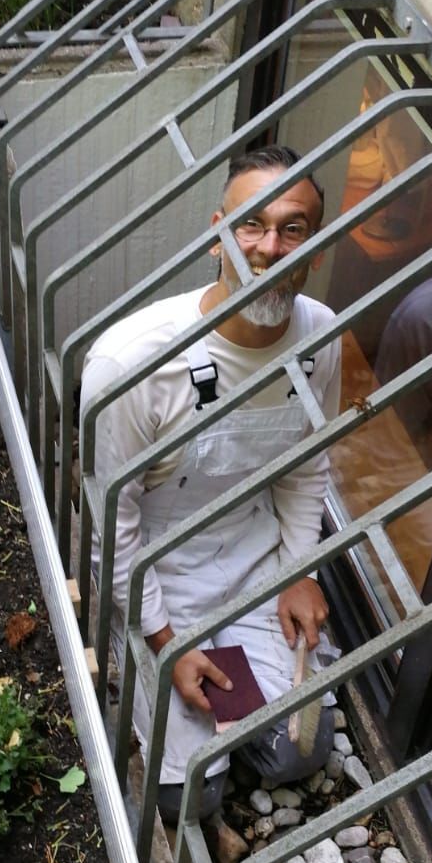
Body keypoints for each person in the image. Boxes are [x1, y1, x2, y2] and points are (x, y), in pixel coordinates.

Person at [80, 146, 342, 823]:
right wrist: (166, 643)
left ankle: (232, 707)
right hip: (155, 572)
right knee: (188, 798)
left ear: (315, 246)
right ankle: (146, 668)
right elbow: (117, 524)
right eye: (250, 225)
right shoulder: (135, 361)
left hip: (250, 559)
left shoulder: (319, 339)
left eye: (292, 229)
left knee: (297, 753)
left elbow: (304, 465)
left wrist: (298, 570)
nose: (266, 248)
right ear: (215, 234)